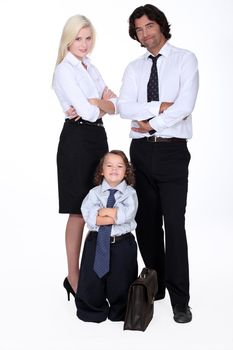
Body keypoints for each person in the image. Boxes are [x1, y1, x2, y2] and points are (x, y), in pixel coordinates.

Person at [118, 4, 199, 323]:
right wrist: (158, 106)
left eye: (149, 26)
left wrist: (152, 123)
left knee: (174, 226)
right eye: (139, 29)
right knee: (146, 224)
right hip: (139, 153)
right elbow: (125, 107)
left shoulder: (185, 59)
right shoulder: (134, 68)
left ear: (161, 25)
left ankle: (181, 299)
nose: (145, 33)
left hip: (172, 151)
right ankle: (157, 285)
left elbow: (185, 105)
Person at [53, 15, 116, 299]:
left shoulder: (90, 66)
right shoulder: (65, 71)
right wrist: (98, 105)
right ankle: (73, 277)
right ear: (68, 39)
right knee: (78, 211)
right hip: (77, 140)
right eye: (78, 38)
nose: (84, 44)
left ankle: (97, 273)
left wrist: (99, 104)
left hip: (97, 137)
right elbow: (90, 112)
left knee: (100, 206)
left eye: (88, 38)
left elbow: (114, 104)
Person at [75, 150, 138, 322]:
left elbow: (127, 215)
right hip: (96, 241)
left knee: (121, 280)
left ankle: (121, 311)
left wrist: (103, 213)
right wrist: (113, 215)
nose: (114, 169)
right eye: (109, 165)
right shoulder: (94, 193)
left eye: (119, 166)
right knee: (92, 279)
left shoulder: (130, 193)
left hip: (122, 243)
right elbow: (90, 217)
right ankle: (92, 310)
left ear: (126, 171)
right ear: (101, 170)